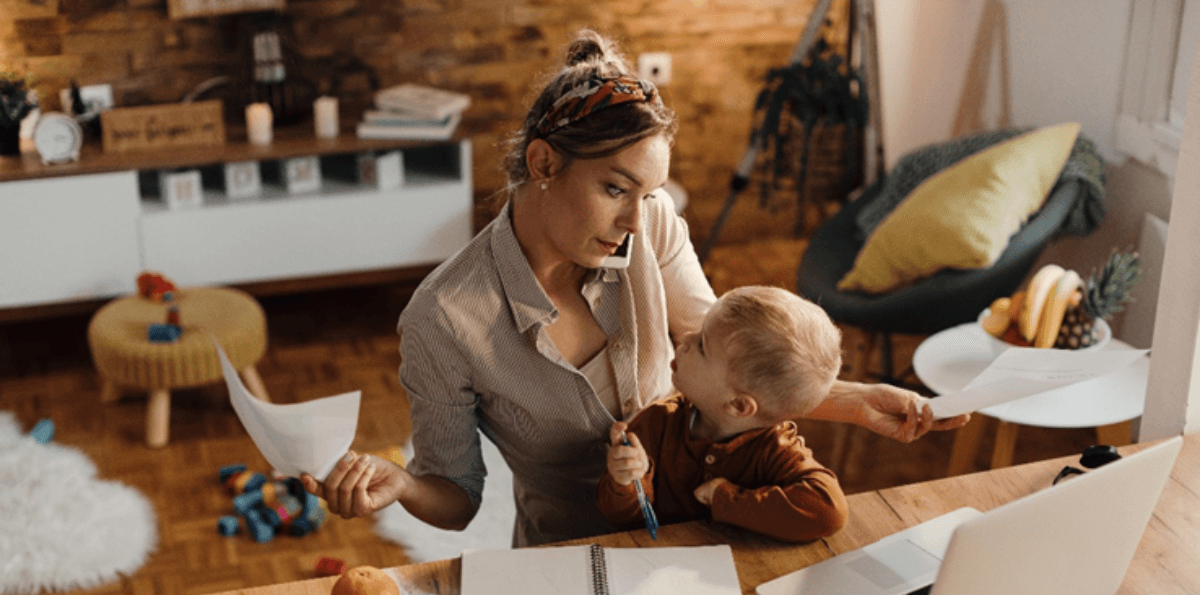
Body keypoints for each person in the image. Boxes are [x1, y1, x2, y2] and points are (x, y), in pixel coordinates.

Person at [301, 29, 969, 548]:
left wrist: (853, 401)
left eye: (647, 194)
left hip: (697, 538)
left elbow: (725, 353)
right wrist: (404, 484)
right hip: (569, 553)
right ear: (543, 162)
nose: (636, 222)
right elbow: (457, 499)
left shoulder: (651, 224)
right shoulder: (444, 317)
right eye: (616, 189)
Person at [598, 285, 847, 543]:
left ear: (739, 406)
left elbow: (829, 512)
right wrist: (626, 481)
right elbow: (621, 518)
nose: (686, 339)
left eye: (702, 345)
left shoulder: (777, 448)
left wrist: (726, 499)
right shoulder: (655, 423)